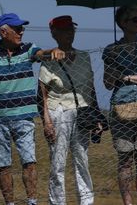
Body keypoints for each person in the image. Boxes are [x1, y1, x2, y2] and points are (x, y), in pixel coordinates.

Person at [0, 13, 65, 205]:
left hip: (24, 116)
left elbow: (41, 54)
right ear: (3, 32)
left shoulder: (27, 49)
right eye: (17, 29)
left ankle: (32, 201)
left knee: (29, 161)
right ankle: (10, 203)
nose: (21, 32)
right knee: (3, 165)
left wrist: (53, 52)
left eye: (22, 28)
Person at [39, 16, 106, 205]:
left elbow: (90, 88)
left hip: (83, 112)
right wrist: (47, 121)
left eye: (71, 29)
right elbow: (42, 94)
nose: (69, 33)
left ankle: (86, 201)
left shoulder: (84, 56)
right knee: (58, 163)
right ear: (54, 33)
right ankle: (57, 202)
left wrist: (97, 116)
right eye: (64, 30)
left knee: (82, 160)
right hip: (58, 110)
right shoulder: (48, 59)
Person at [102, 5, 137, 205]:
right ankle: (128, 203)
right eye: (136, 19)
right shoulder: (111, 50)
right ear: (123, 23)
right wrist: (115, 71)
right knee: (125, 160)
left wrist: (127, 77)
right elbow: (108, 83)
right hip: (120, 106)